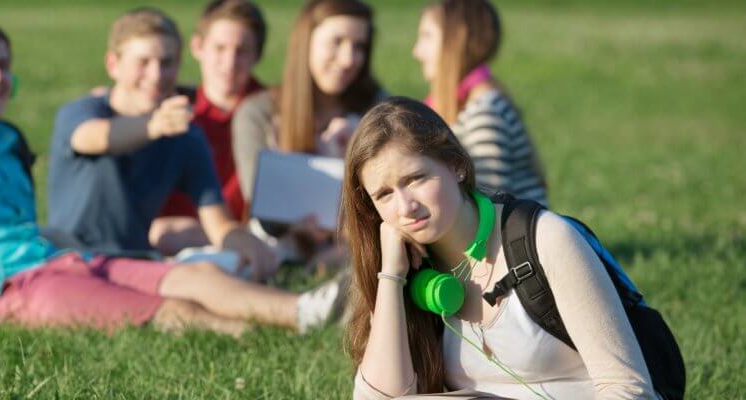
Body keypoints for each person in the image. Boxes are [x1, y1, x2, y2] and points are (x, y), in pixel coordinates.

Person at [0, 20, 343, 336]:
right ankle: (247, 334)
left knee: (186, 279)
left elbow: (216, 221)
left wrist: (256, 243)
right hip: (0, 291)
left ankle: (306, 311)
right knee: (173, 311)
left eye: (4, 64)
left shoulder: (7, 140)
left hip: (56, 259)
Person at [341, 97, 658, 398]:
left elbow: (628, 387)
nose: (405, 206)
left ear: (456, 166)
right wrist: (391, 278)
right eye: (384, 194)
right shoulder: (407, 272)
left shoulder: (546, 239)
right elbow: (382, 396)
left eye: (415, 179)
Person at [47, 8, 277, 279]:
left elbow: (217, 223)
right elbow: (94, 138)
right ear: (113, 65)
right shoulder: (84, 111)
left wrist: (247, 245)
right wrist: (153, 126)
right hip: (67, 260)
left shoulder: (185, 136)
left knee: (205, 280)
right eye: (143, 62)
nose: (156, 75)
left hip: (135, 262)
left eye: (166, 63)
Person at [232, 0, 385, 263]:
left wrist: (359, 151)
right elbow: (261, 204)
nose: (349, 59)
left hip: (360, 244)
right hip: (279, 246)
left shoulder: (379, 110)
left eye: (359, 46)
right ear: (306, 42)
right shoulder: (257, 113)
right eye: (336, 41)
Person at [149, 0, 268, 256]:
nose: (230, 62)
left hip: (247, 233)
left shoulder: (272, 112)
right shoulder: (170, 110)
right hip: (175, 233)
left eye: (242, 51)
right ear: (197, 47)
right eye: (220, 48)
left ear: (257, 54)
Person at [412, 0, 548, 205]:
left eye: (427, 36)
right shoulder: (466, 103)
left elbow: (490, 203)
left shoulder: (484, 112)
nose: (417, 51)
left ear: (458, 41)